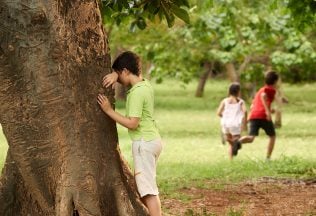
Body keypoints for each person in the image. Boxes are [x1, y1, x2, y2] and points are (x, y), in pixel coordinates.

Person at [97, 51, 162, 216]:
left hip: (143, 144)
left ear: (125, 71)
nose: (118, 80)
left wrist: (108, 111)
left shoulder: (136, 93)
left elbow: (133, 123)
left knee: (148, 190)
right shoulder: (145, 85)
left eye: (119, 74)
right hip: (152, 140)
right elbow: (124, 76)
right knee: (146, 187)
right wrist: (114, 73)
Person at [232, 71, 279, 160]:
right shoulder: (270, 89)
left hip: (254, 115)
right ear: (275, 81)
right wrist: (267, 112)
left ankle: (238, 141)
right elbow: (263, 96)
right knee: (272, 136)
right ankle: (268, 158)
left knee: (251, 138)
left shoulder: (260, 89)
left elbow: (253, 105)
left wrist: (269, 109)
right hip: (263, 116)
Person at [217, 83, 247, 160]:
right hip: (235, 124)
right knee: (236, 140)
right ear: (238, 92)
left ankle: (231, 160)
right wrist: (244, 122)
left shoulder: (225, 101)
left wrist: (224, 117)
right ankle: (236, 143)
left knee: (230, 143)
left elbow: (218, 113)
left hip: (225, 123)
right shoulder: (240, 101)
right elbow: (245, 111)